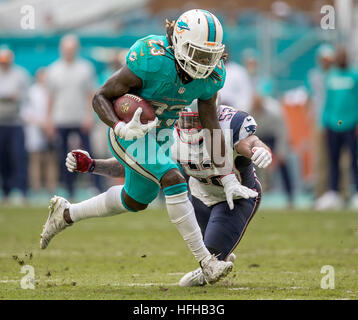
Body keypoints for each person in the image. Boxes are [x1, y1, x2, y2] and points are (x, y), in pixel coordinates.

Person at [40, 9, 243, 284]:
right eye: (198, 54)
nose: (205, 63)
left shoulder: (212, 75)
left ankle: (65, 214)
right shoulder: (151, 59)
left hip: (160, 135)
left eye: (210, 56)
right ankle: (206, 262)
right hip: (129, 130)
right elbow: (101, 96)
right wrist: (119, 126)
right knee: (173, 178)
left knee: (134, 200)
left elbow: (211, 125)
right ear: (181, 45)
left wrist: (228, 175)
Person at [63, 104, 272, 286]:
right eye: (185, 120)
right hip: (199, 196)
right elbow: (136, 164)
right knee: (210, 257)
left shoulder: (229, 125)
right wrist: (92, 165)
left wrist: (259, 150)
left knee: (208, 267)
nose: (189, 127)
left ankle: (220, 252)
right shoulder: (169, 133)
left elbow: (251, 142)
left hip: (235, 199)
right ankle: (222, 251)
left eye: (196, 119)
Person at [45, 34, 100, 198]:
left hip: (81, 118)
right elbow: (50, 98)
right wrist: (49, 119)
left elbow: (90, 95)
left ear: (76, 49)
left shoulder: (85, 68)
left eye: (72, 49)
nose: (69, 52)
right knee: (64, 156)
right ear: (62, 50)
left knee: (90, 154)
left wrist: (90, 115)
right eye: (66, 49)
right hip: (61, 119)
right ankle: (69, 190)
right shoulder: (53, 70)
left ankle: (96, 187)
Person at [315, 45, 358, 210]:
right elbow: (328, 102)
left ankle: (355, 193)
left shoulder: (354, 75)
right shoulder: (331, 76)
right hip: (333, 124)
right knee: (333, 160)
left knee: (353, 160)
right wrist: (324, 123)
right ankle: (334, 193)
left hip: (351, 123)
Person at [0, 47, 30, 203]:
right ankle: (5, 191)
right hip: (1, 123)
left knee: (18, 157)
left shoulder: (20, 74)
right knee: (3, 159)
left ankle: (23, 191)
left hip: (16, 122)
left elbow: (25, 96)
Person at [22, 68, 58, 193]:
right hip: (35, 130)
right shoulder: (32, 92)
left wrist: (49, 125)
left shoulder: (52, 91)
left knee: (51, 159)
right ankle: (35, 187)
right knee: (35, 159)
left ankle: (51, 186)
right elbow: (25, 112)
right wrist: (40, 124)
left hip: (51, 129)